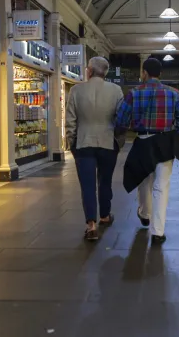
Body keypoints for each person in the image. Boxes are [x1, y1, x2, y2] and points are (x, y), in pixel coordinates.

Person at [116, 57, 179, 245]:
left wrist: (122, 132)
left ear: (144, 73)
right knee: (161, 186)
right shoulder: (174, 93)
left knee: (143, 180)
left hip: (143, 141)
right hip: (164, 142)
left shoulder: (133, 93)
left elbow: (121, 120)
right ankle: (158, 232)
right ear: (160, 74)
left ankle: (145, 213)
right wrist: (174, 137)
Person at [65, 56, 124, 241]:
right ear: (105, 72)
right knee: (105, 181)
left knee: (87, 185)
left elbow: (70, 120)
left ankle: (91, 225)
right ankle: (105, 216)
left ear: (89, 70)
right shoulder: (116, 90)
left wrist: (71, 142)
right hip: (108, 143)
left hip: (84, 143)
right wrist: (118, 141)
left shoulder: (76, 90)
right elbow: (121, 119)